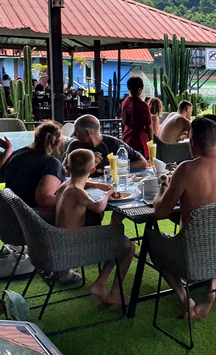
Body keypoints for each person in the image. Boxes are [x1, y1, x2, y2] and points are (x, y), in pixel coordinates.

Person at [153, 117, 216, 319]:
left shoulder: (186, 169)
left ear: (191, 142)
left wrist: (162, 188)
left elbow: (160, 212)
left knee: (155, 247)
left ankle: (184, 297)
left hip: (192, 255)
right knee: (215, 230)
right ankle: (211, 288)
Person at [55, 149, 134, 306]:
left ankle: (101, 284)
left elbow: (80, 181)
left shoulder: (65, 185)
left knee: (114, 236)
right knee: (128, 246)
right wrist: (106, 195)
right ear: (92, 170)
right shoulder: (77, 192)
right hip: (76, 248)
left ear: (68, 169)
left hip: (60, 242)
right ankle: (114, 292)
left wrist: (98, 185)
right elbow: (98, 207)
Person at [0, 121, 66, 209]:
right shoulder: (52, 163)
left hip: (12, 211)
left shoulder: (18, 154)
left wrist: (8, 150)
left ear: (36, 137)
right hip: (34, 215)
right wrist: (71, 200)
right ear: (58, 143)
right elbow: (44, 200)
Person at [64, 115, 148, 173]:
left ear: (88, 133)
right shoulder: (74, 146)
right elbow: (64, 170)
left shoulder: (113, 143)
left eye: (77, 132)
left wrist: (113, 167)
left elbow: (142, 163)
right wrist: (87, 163)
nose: (74, 135)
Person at [121, 77, 153, 159]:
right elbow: (149, 126)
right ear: (141, 89)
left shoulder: (124, 103)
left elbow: (123, 122)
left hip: (126, 138)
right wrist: (151, 141)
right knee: (141, 165)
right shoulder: (143, 105)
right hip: (139, 140)